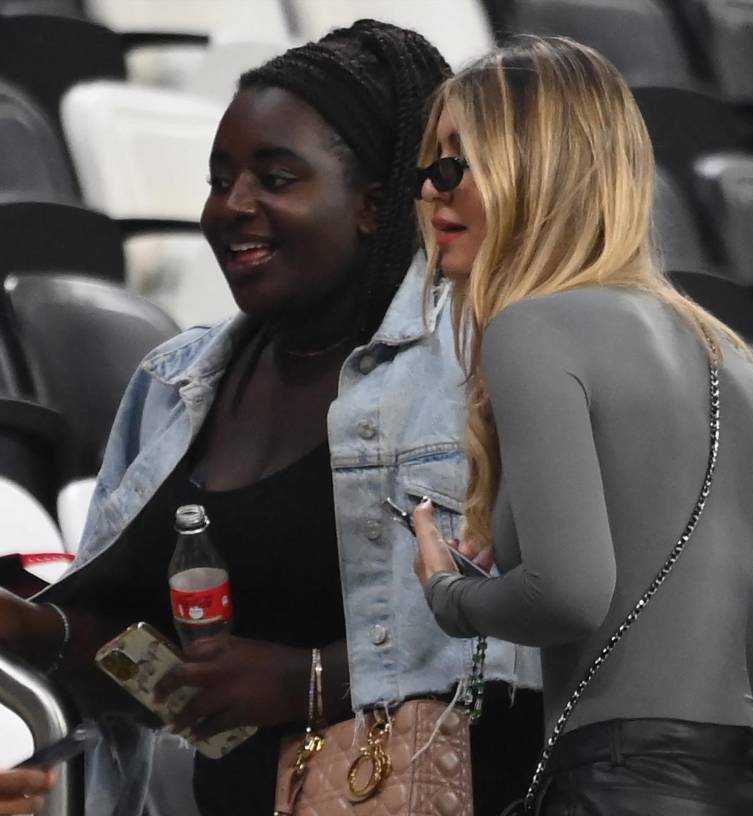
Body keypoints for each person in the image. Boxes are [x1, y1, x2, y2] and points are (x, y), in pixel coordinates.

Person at [0, 21, 541, 816]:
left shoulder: (482, 371)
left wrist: (308, 678)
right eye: (221, 179)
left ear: (374, 205)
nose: (231, 207)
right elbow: (154, 668)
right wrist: (34, 630)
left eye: (277, 178)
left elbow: (547, 630)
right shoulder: (170, 382)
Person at [409, 36, 753, 815]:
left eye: (457, 163)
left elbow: (569, 593)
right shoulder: (729, 358)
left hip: (615, 788)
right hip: (745, 787)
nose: (430, 189)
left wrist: (447, 593)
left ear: (538, 170)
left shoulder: (530, 330)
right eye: (432, 164)